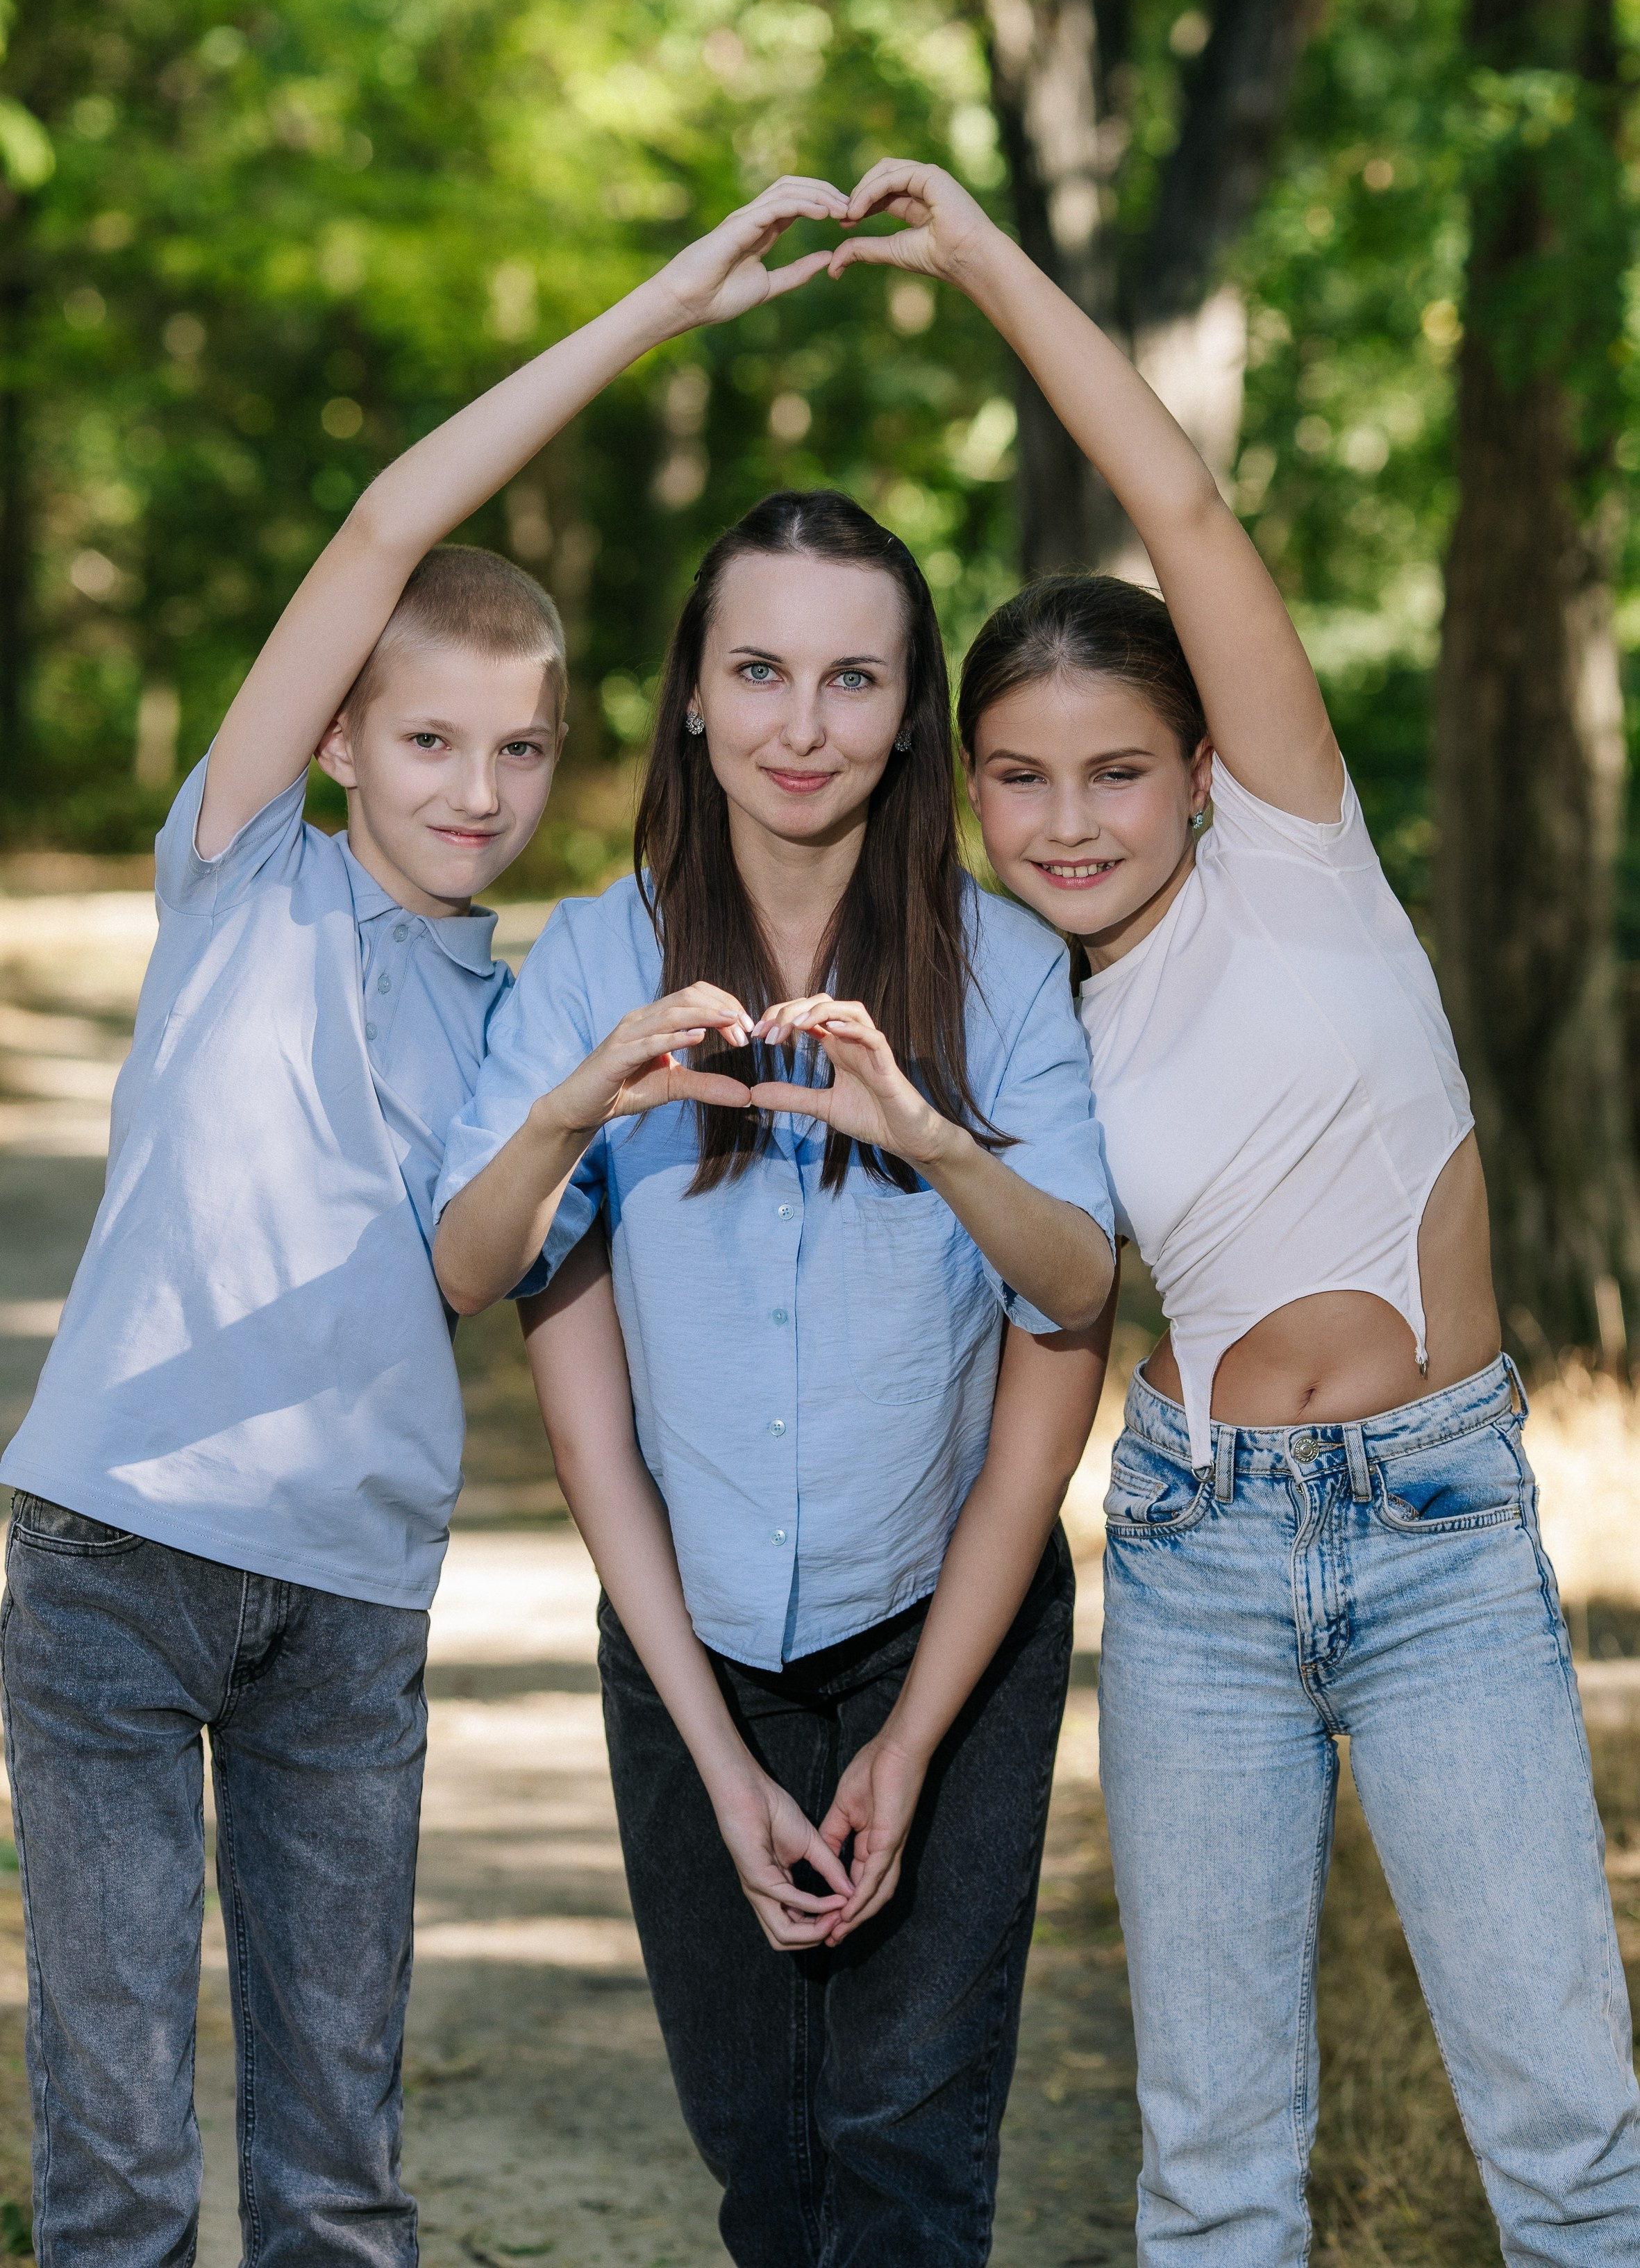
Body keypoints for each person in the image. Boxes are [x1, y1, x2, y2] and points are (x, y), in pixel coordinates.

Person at [0, 176, 855, 2268]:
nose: (475, 787)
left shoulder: (532, 1010)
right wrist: (659, 312)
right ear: (340, 741)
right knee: (115, 2156)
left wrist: (580, 1099)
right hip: (112, 1556)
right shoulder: (246, 875)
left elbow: (475, 1272)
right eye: (428, 739)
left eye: (520, 749)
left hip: (354, 1599)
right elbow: (389, 524)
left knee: (337, 2165)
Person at [816, 153, 1640, 2263]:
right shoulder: (1029, 1018)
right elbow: (1043, 1295)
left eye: (1114, 769)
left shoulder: (1292, 849)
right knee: (1209, 2159)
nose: (1067, 819)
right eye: (1018, 779)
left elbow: (1177, 506)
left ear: (1199, 765)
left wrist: (982, 258)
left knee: (1565, 2131)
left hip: (1434, 1530)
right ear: (970, 794)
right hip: (1193, 1545)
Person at [431, 485, 1117, 2265]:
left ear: (906, 716)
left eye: (850, 678)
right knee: (760, 2149)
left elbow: (1072, 1289)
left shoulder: (1003, 964)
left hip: (944, 1624)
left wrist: (933, 1135)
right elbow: (474, 1268)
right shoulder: (592, 957)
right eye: (757, 670)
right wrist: (569, 1108)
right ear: (690, 692)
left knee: (902, 2140)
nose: (800, 725)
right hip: (693, 1633)